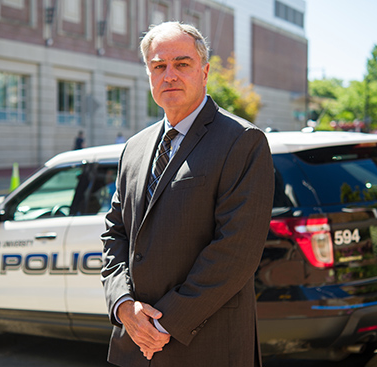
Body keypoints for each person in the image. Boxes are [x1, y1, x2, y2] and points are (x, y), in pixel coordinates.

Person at [101, 21, 274, 367]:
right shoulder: (133, 149)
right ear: (148, 73)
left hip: (205, 346)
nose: (170, 75)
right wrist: (123, 305)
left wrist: (163, 322)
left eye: (182, 64)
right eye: (158, 66)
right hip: (135, 345)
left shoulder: (242, 141)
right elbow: (115, 233)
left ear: (205, 71)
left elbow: (235, 252)